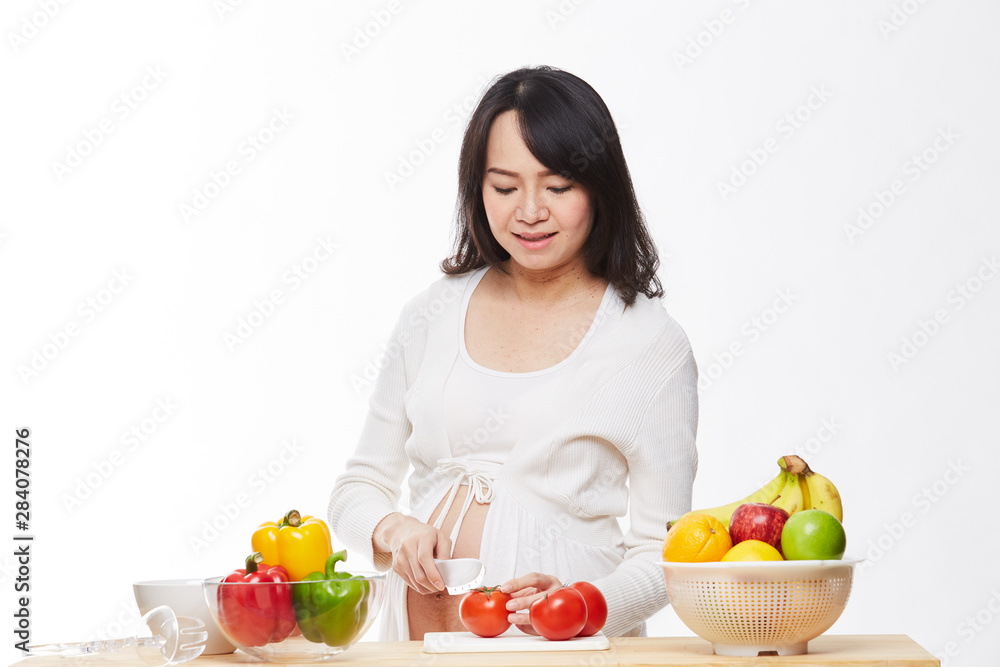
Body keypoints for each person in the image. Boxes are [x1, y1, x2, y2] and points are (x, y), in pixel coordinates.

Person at [328, 65, 698, 641]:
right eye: (504, 187)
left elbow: (667, 553)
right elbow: (359, 487)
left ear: (601, 188)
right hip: (416, 648)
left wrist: (583, 604)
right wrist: (392, 529)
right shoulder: (432, 315)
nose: (529, 211)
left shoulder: (649, 344)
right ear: (477, 189)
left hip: (569, 654)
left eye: (557, 187)